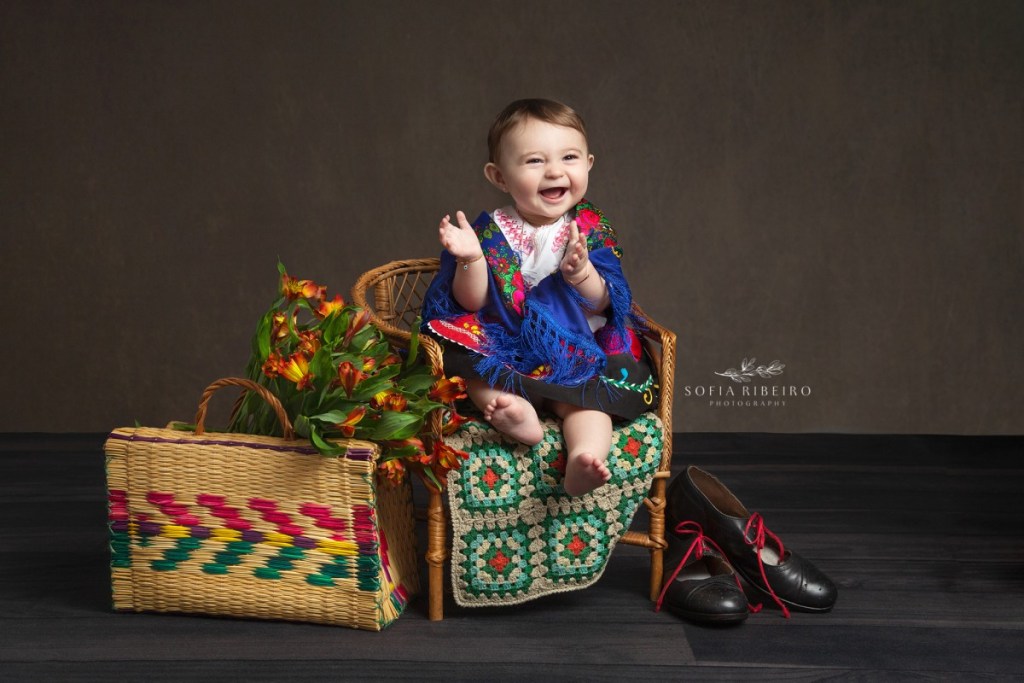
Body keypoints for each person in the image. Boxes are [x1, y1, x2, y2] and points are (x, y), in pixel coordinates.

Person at [421, 98, 656, 496]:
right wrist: (471, 259)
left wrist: (582, 275)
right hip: (508, 346)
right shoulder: (489, 231)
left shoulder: (589, 229)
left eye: (569, 157)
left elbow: (605, 303)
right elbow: (472, 303)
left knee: (590, 404)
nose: (554, 171)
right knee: (473, 371)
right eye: (534, 161)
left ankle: (584, 457)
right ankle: (519, 416)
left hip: (576, 352)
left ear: (588, 164)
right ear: (499, 176)